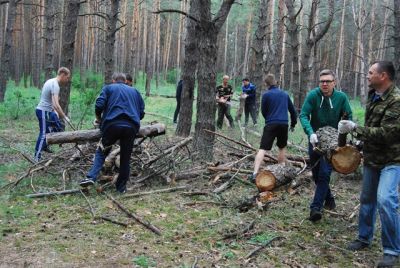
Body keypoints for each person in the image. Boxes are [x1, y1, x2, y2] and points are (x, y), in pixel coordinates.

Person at [338, 61, 400, 267]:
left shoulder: (396, 101)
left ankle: (391, 250)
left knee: (386, 200)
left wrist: (356, 128)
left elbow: (387, 134)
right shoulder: (373, 96)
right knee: (366, 199)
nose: (367, 75)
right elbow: (374, 127)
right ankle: (364, 237)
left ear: (383, 76)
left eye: (371, 73)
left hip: (392, 159)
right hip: (372, 158)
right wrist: (360, 143)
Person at [299, 69, 352, 222]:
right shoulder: (313, 95)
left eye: (328, 81)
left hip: (333, 143)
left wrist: (345, 131)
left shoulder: (341, 98)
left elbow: (349, 116)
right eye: (322, 81)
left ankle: (315, 208)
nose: (324, 84)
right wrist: (310, 133)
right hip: (315, 141)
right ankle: (329, 200)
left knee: (324, 174)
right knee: (316, 175)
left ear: (334, 82)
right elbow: (303, 115)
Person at [80, 72, 145, 193]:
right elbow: (141, 113)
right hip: (131, 127)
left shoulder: (108, 88)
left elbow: (99, 105)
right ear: (125, 81)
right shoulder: (134, 91)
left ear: (113, 80)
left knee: (102, 151)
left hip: (111, 125)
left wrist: (99, 119)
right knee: (125, 159)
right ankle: (121, 189)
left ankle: (91, 177)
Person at [251, 74, 297, 180]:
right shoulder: (285, 94)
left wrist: (269, 119)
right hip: (284, 124)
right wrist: (293, 124)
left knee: (262, 148)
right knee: (281, 147)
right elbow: (293, 111)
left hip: (271, 123)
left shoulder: (266, 95)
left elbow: (263, 111)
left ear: (266, 84)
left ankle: (254, 173)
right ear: (276, 82)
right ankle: (280, 172)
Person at [34, 67, 71, 161]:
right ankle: (36, 157)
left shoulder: (51, 81)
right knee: (43, 134)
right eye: (67, 78)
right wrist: (64, 117)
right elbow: (56, 105)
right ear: (62, 75)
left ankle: (45, 146)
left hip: (47, 111)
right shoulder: (55, 85)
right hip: (43, 111)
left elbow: (53, 103)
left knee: (55, 128)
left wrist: (55, 112)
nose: (67, 80)